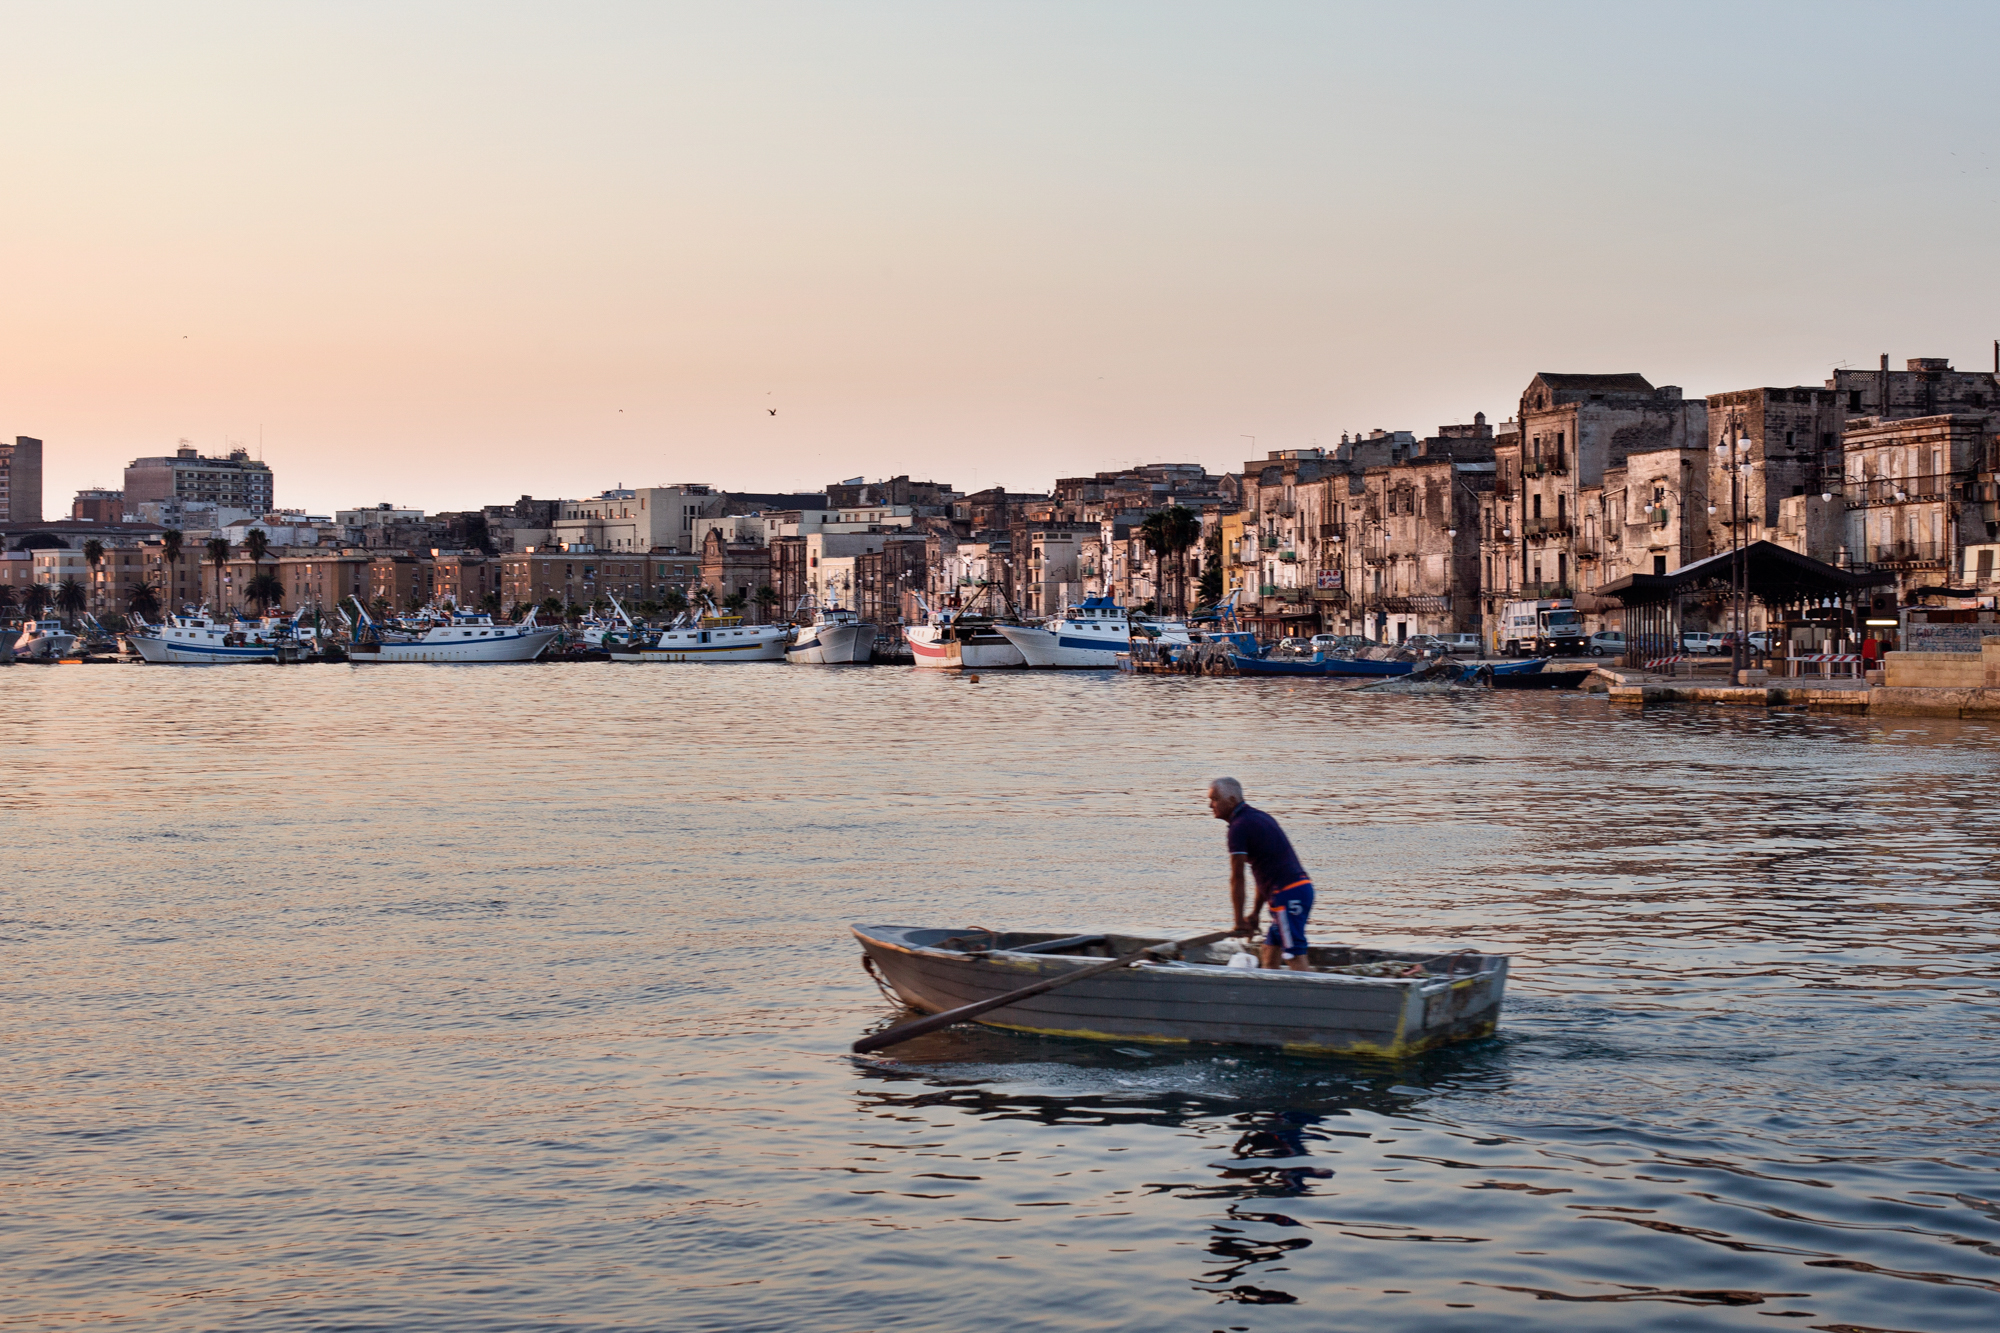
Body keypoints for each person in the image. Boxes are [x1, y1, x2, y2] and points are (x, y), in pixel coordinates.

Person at [1207, 777, 1313, 971]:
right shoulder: (1258, 817)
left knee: (1293, 954)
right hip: (1296, 891)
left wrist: (1239, 921)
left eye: (1214, 799)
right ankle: (1270, 993)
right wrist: (1255, 912)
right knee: (1270, 950)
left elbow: (1237, 878)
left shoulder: (1239, 828)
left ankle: (1313, 998)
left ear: (1231, 800)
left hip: (1288, 896)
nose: (1209, 805)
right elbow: (1262, 874)